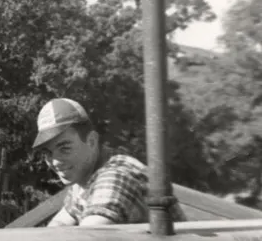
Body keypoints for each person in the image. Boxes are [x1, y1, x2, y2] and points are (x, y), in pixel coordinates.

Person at [32, 97, 186, 227]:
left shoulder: (115, 176)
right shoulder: (83, 177)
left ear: (91, 141)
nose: (55, 162)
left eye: (64, 148)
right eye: (48, 153)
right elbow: (58, 226)